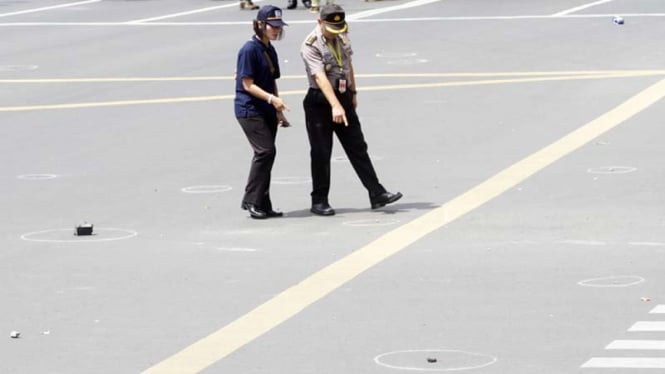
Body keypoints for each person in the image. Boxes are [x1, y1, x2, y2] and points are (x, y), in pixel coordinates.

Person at [300, 4, 402, 216]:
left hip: (343, 96)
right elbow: (319, 77)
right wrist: (335, 106)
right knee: (321, 152)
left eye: (339, 27)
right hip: (320, 101)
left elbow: (348, 63)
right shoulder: (311, 44)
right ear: (320, 22)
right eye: (331, 27)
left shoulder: (341, 36)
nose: (336, 32)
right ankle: (319, 200)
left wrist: (353, 93)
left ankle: (376, 192)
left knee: (357, 146)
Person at [234, 5, 291, 219]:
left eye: (278, 27)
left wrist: (278, 110)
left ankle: (263, 203)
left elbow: (271, 81)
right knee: (265, 152)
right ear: (260, 25)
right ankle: (251, 200)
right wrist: (271, 99)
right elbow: (247, 84)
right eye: (272, 26)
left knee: (268, 155)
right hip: (249, 109)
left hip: (266, 108)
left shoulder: (269, 49)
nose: (276, 30)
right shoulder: (249, 50)